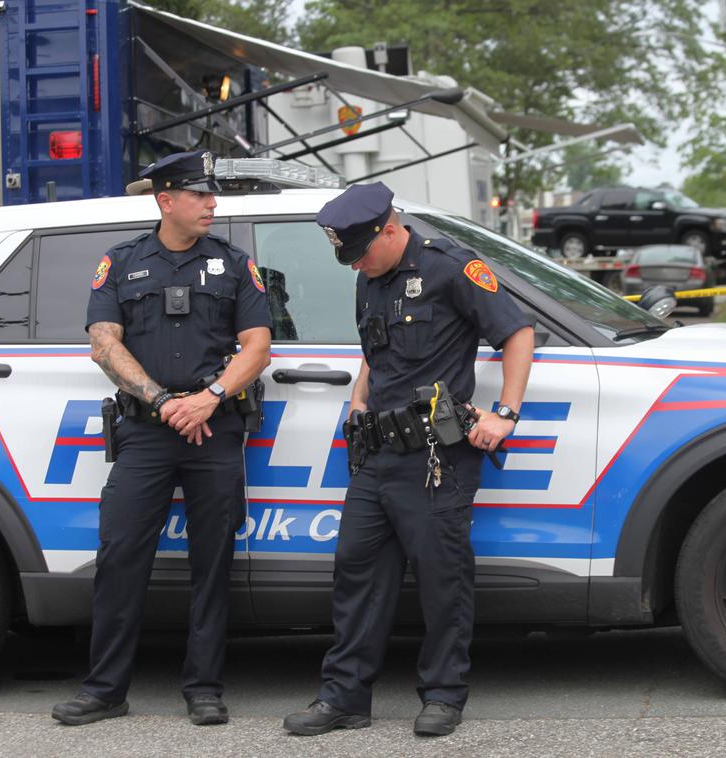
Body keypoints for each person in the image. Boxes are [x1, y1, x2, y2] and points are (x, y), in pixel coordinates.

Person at [283, 182, 534, 737]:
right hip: (377, 454)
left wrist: (505, 414)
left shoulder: (451, 267)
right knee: (356, 573)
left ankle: (443, 694)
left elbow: (517, 334)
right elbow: (378, 351)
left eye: (360, 252)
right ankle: (345, 697)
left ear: (390, 230)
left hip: (435, 455)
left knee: (442, 577)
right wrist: (357, 397)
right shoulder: (370, 277)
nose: (355, 266)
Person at [52, 150, 271, 727]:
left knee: (212, 562)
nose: (211, 203)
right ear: (165, 200)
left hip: (215, 429)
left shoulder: (233, 264)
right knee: (121, 557)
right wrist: (165, 402)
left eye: (211, 194)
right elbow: (104, 341)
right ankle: (104, 690)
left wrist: (210, 398)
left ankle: (204, 687)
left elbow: (258, 346)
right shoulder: (121, 263)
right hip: (146, 434)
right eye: (199, 194)